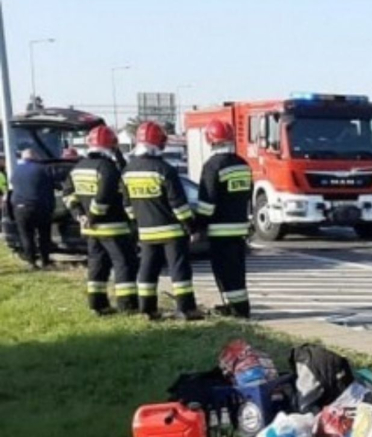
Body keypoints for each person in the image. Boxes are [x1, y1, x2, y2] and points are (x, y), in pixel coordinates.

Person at [121, 121, 200, 320]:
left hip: (146, 232)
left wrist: (137, 223)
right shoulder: (165, 170)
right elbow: (178, 204)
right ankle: (185, 309)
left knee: (147, 270)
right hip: (172, 231)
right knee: (179, 271)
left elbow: (127, 205)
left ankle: (147, 309)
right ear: (160, 144)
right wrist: (190, 227)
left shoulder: (128, 171)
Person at [63, 125, 138, 314]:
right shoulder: (107, 168)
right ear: (112, 145)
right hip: (113, 227)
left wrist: (79, 215)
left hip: (90, 229)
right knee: (124, 264)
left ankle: (98, 304)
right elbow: (104, 196)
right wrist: (93, 216)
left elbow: (68, 194)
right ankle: (127, 305)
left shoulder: (78, 168)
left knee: (97, 265)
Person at [194, 120, 253, 317]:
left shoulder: (212, 166)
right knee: (237, 271)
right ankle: (240, 307)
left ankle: (236, 310)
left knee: (224, 272)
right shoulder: (243, 164)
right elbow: (248, 195)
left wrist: (197, 226)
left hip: (219, 230)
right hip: (240, 229)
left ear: (210, 140)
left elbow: (207, 203)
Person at [9, 148, 56, 269]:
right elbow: (54, 185)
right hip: (40, 207)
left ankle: (31, 262)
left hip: (20, 207)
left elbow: (13, 184)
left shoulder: (16, 170)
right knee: (44, 235)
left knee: (26, 235)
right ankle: (45, 261)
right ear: (35, 157)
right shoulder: (43, 169)